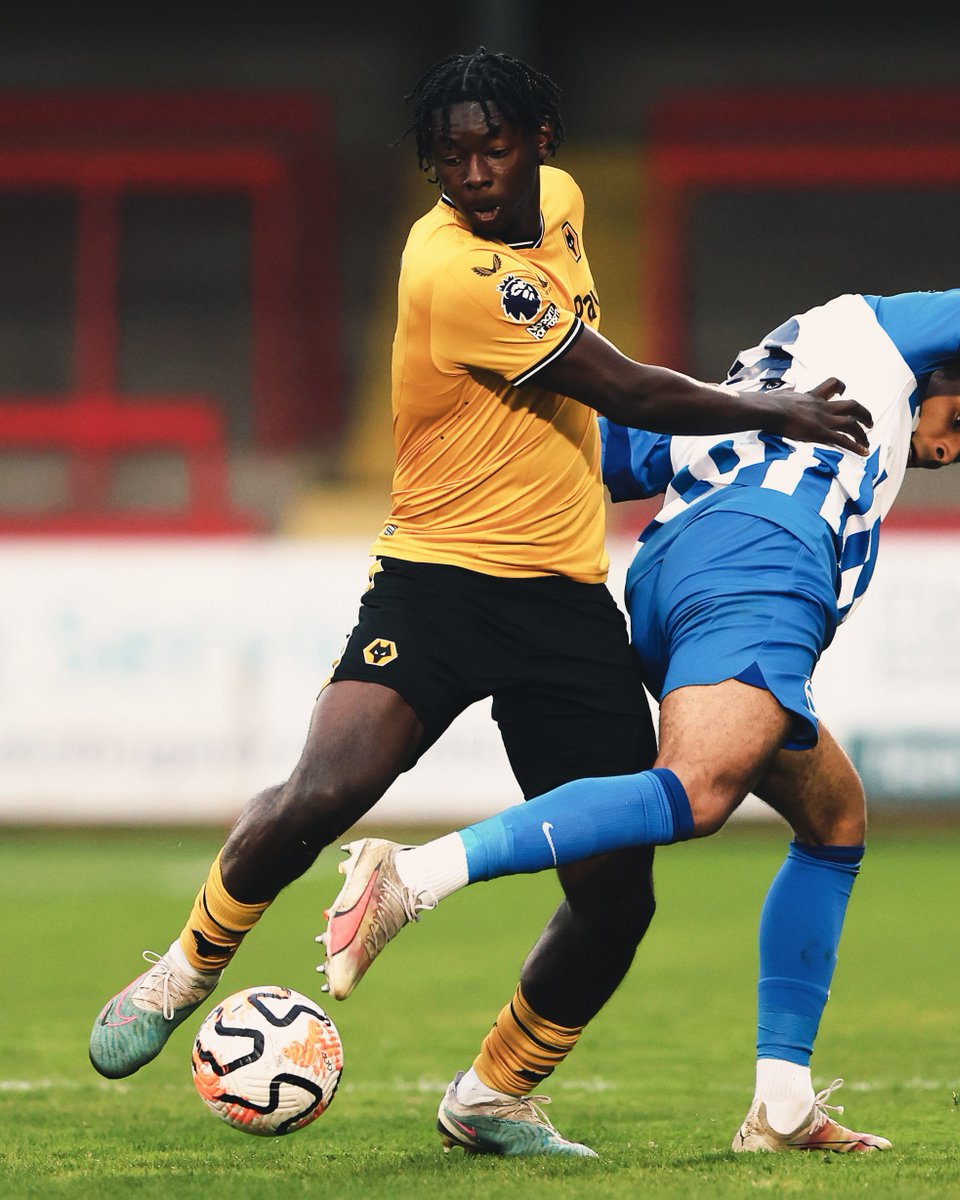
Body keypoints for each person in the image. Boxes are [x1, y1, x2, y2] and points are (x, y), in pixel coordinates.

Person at [86, 48, 872, 1159]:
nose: (471, 170)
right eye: (447, 155)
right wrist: (770, 408)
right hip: (439, 580)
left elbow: (600, 406)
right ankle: (183, 971)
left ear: (539, 141)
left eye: (490, 145)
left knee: (617, 897)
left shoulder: (562, 205)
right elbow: (621, 385)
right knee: (326, 790)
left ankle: (495, 1096)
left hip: (562, 600)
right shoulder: (449, 268)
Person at [317, 271, 960, 1154]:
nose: (945, 449)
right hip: (761, 562)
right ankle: (411, 879)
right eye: (959, 422)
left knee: (834, 818)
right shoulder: (882, 335)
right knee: (699, 793)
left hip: (679, 572)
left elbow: (607, 455)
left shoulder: (759, 378)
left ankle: (776, 1106)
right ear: (938, 368)